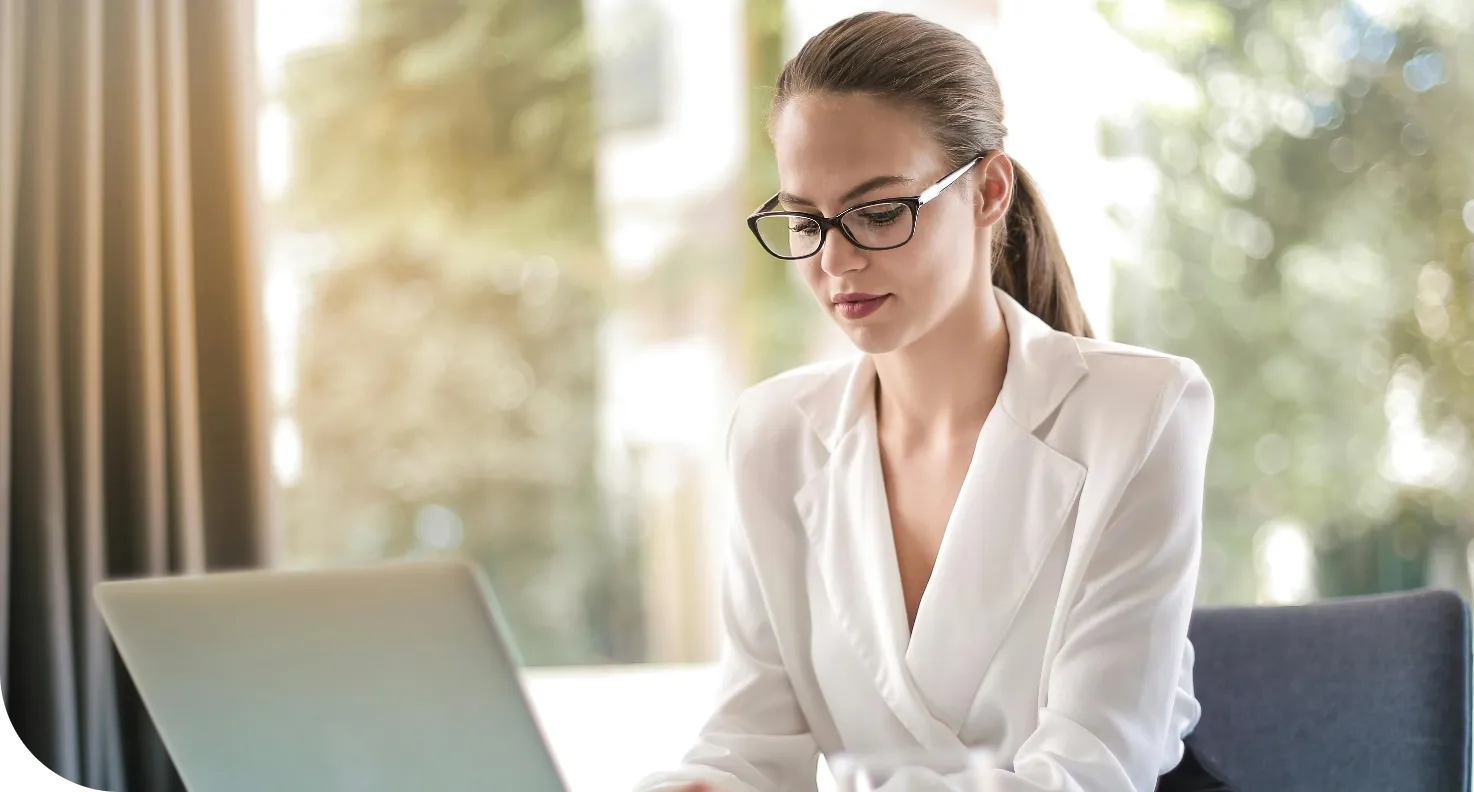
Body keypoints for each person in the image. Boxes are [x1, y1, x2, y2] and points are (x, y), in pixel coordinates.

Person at [634, 11, 1230, 792]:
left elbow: (1092, 771)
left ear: (989, 191)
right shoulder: (773, 434)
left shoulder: (1142, 411)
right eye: (805, 220)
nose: (835, 261)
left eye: (879, 212)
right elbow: (749, 746)